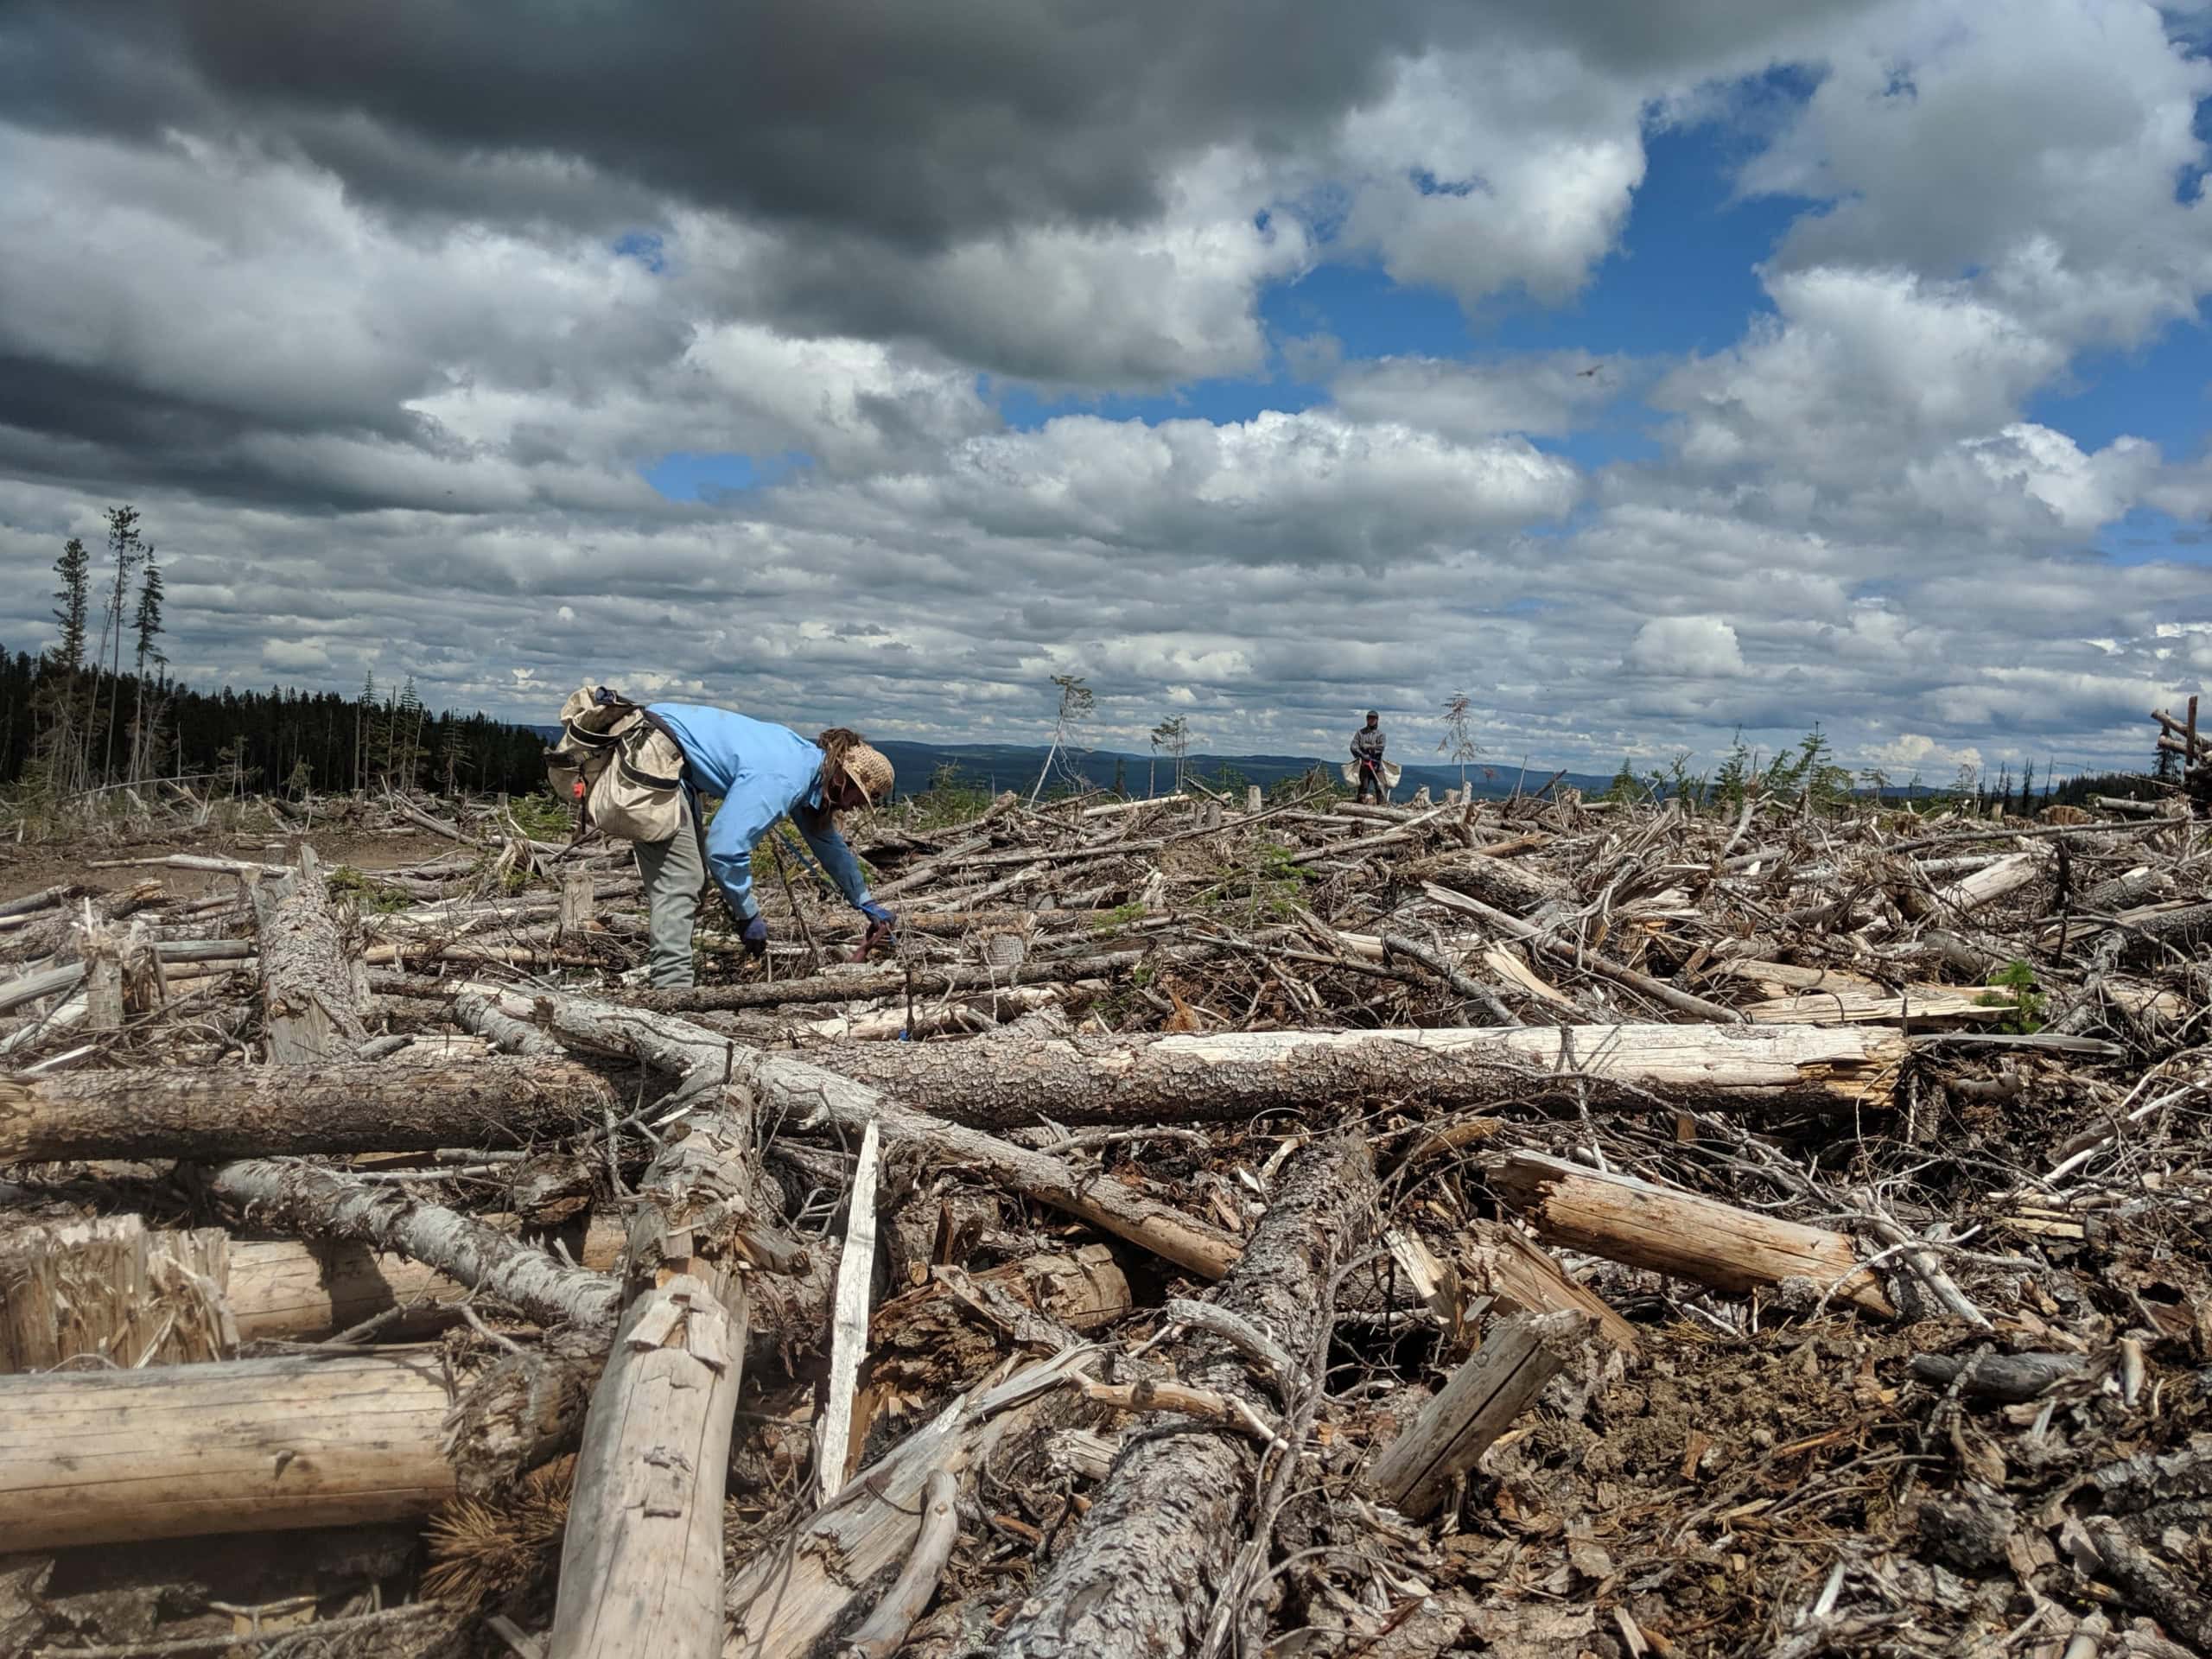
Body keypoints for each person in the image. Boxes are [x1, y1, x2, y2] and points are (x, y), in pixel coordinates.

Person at [633, 706, 897, 988]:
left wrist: (865, 901)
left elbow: (828, 845)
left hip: (670, 760)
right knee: (682, 883)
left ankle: (673, 982)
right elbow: (724, 849)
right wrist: (747, 915)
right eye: (859, 798)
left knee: (691, 883)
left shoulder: (807, 768)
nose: (853, 807)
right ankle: (672, 997)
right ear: (844, 778)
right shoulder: (787, 776)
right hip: (653, 754)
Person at [1351, 709, 1388, 804]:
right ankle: (1358, 810)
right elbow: (1353, 746)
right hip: (1364, 766)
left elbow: (1381, 747)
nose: (1371, 720)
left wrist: (1370, 748)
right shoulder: (1360, 733)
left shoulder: (1381, 734)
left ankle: (1382, 809)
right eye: (1369, 718)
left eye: (1373, 718)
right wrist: (1362, 754)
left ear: (1377, 720)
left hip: (1377, 766)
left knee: (1381, 787)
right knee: (1363, 789)